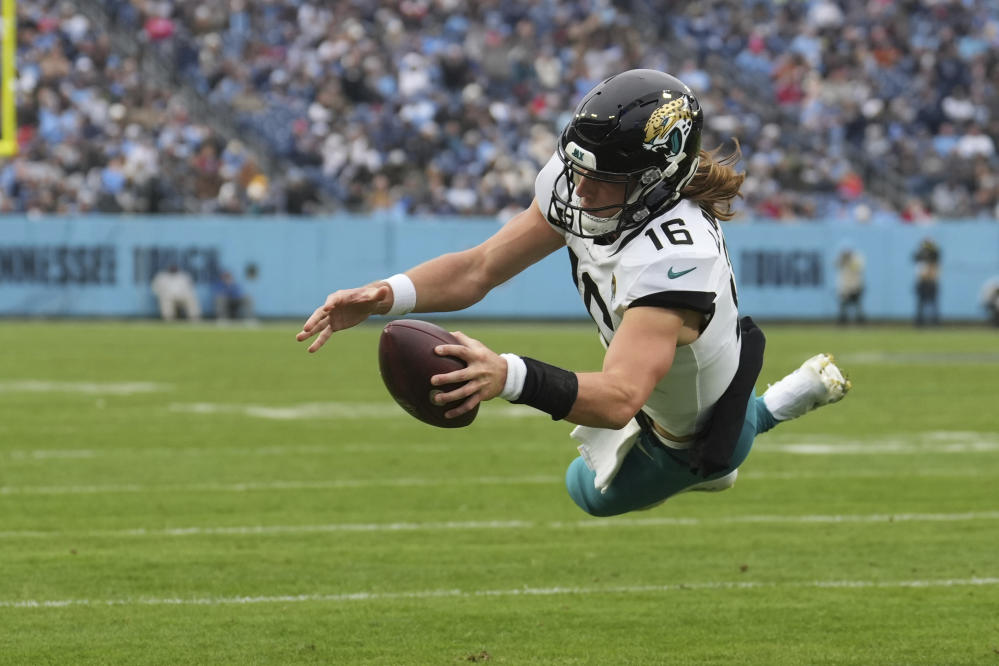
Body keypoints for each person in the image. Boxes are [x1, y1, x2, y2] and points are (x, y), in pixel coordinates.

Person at [297, 69, 851, 517]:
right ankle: (771, 407)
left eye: (604, 177)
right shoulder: (588, 181)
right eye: (579, 167)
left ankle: (749, 427)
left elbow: (618, 399)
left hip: (688, 435)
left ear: (657, 179)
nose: (580, 187)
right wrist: (384, 294)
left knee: (587, 492)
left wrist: (507, 374)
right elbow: (479, 267)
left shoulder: (678, 261)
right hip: (675, 374)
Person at [913, 237, 941, 326]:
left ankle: (935, 322)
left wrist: (930, 249)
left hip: (932, 282)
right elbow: (914, 257)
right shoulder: (920, 257)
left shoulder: (934, 256)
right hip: (922, 282)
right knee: (921, 303)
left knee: (933, 303)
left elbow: (936, 255)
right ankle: (920, 322)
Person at [835, 248, 865, 325]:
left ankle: (860, 321)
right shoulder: (842, 259)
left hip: (855, 287)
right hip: (845, 288)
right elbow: (835, 265)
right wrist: (843, 259)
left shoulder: (857, 259)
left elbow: (858, 268)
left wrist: (849, 260)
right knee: (843, 305)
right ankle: (842, 321)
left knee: (857, 305)